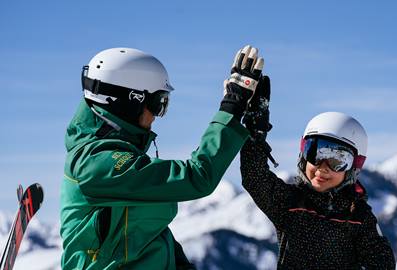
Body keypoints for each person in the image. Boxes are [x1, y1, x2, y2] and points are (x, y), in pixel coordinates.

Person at [61, 45, 264, 269]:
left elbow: (146, 231)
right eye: (158, 103)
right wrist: (231, 108)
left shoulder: (118, 156)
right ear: (131, 100)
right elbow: (198, 176)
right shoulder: (95, 164)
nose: (158, 115)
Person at [240, 79, 396, 269]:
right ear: (302, 156)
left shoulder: (358, 215)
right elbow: (254, 176)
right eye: (314, 153)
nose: (323, 168)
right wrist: (256, 129)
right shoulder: (290, 202)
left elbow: (381, 262)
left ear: (353, 168)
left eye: (337, 160)